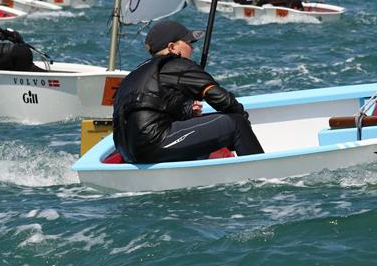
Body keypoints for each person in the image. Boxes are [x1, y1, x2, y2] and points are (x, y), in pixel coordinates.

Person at [113, 20, 265, 163]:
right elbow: (220, 98)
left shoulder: (135, 75)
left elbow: (149, 110)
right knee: (236, 123)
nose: (192, 48)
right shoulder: (176, 64)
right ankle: (262, 174)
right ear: (172, 47)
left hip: (127, 151)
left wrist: (187, 112)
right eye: (188, 43)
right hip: (154, 143)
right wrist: (244, 120)